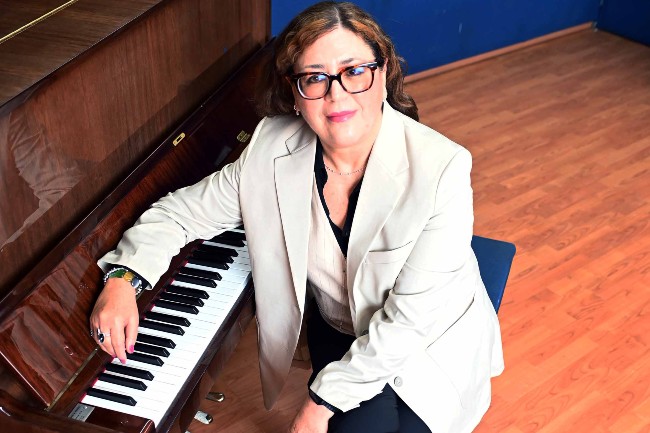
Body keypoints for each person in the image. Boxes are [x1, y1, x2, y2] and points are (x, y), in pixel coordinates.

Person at [90, 2, 504, 432]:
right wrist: (124, 279)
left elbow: (409, 323)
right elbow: (180, 213)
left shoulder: (443, 167)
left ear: (382, 74)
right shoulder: (271, 148)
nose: (336, 94)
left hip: (428, 342)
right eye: (315, 77)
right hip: (343, 329)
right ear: (294, 91)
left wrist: (318, 405)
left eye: (354, 71)